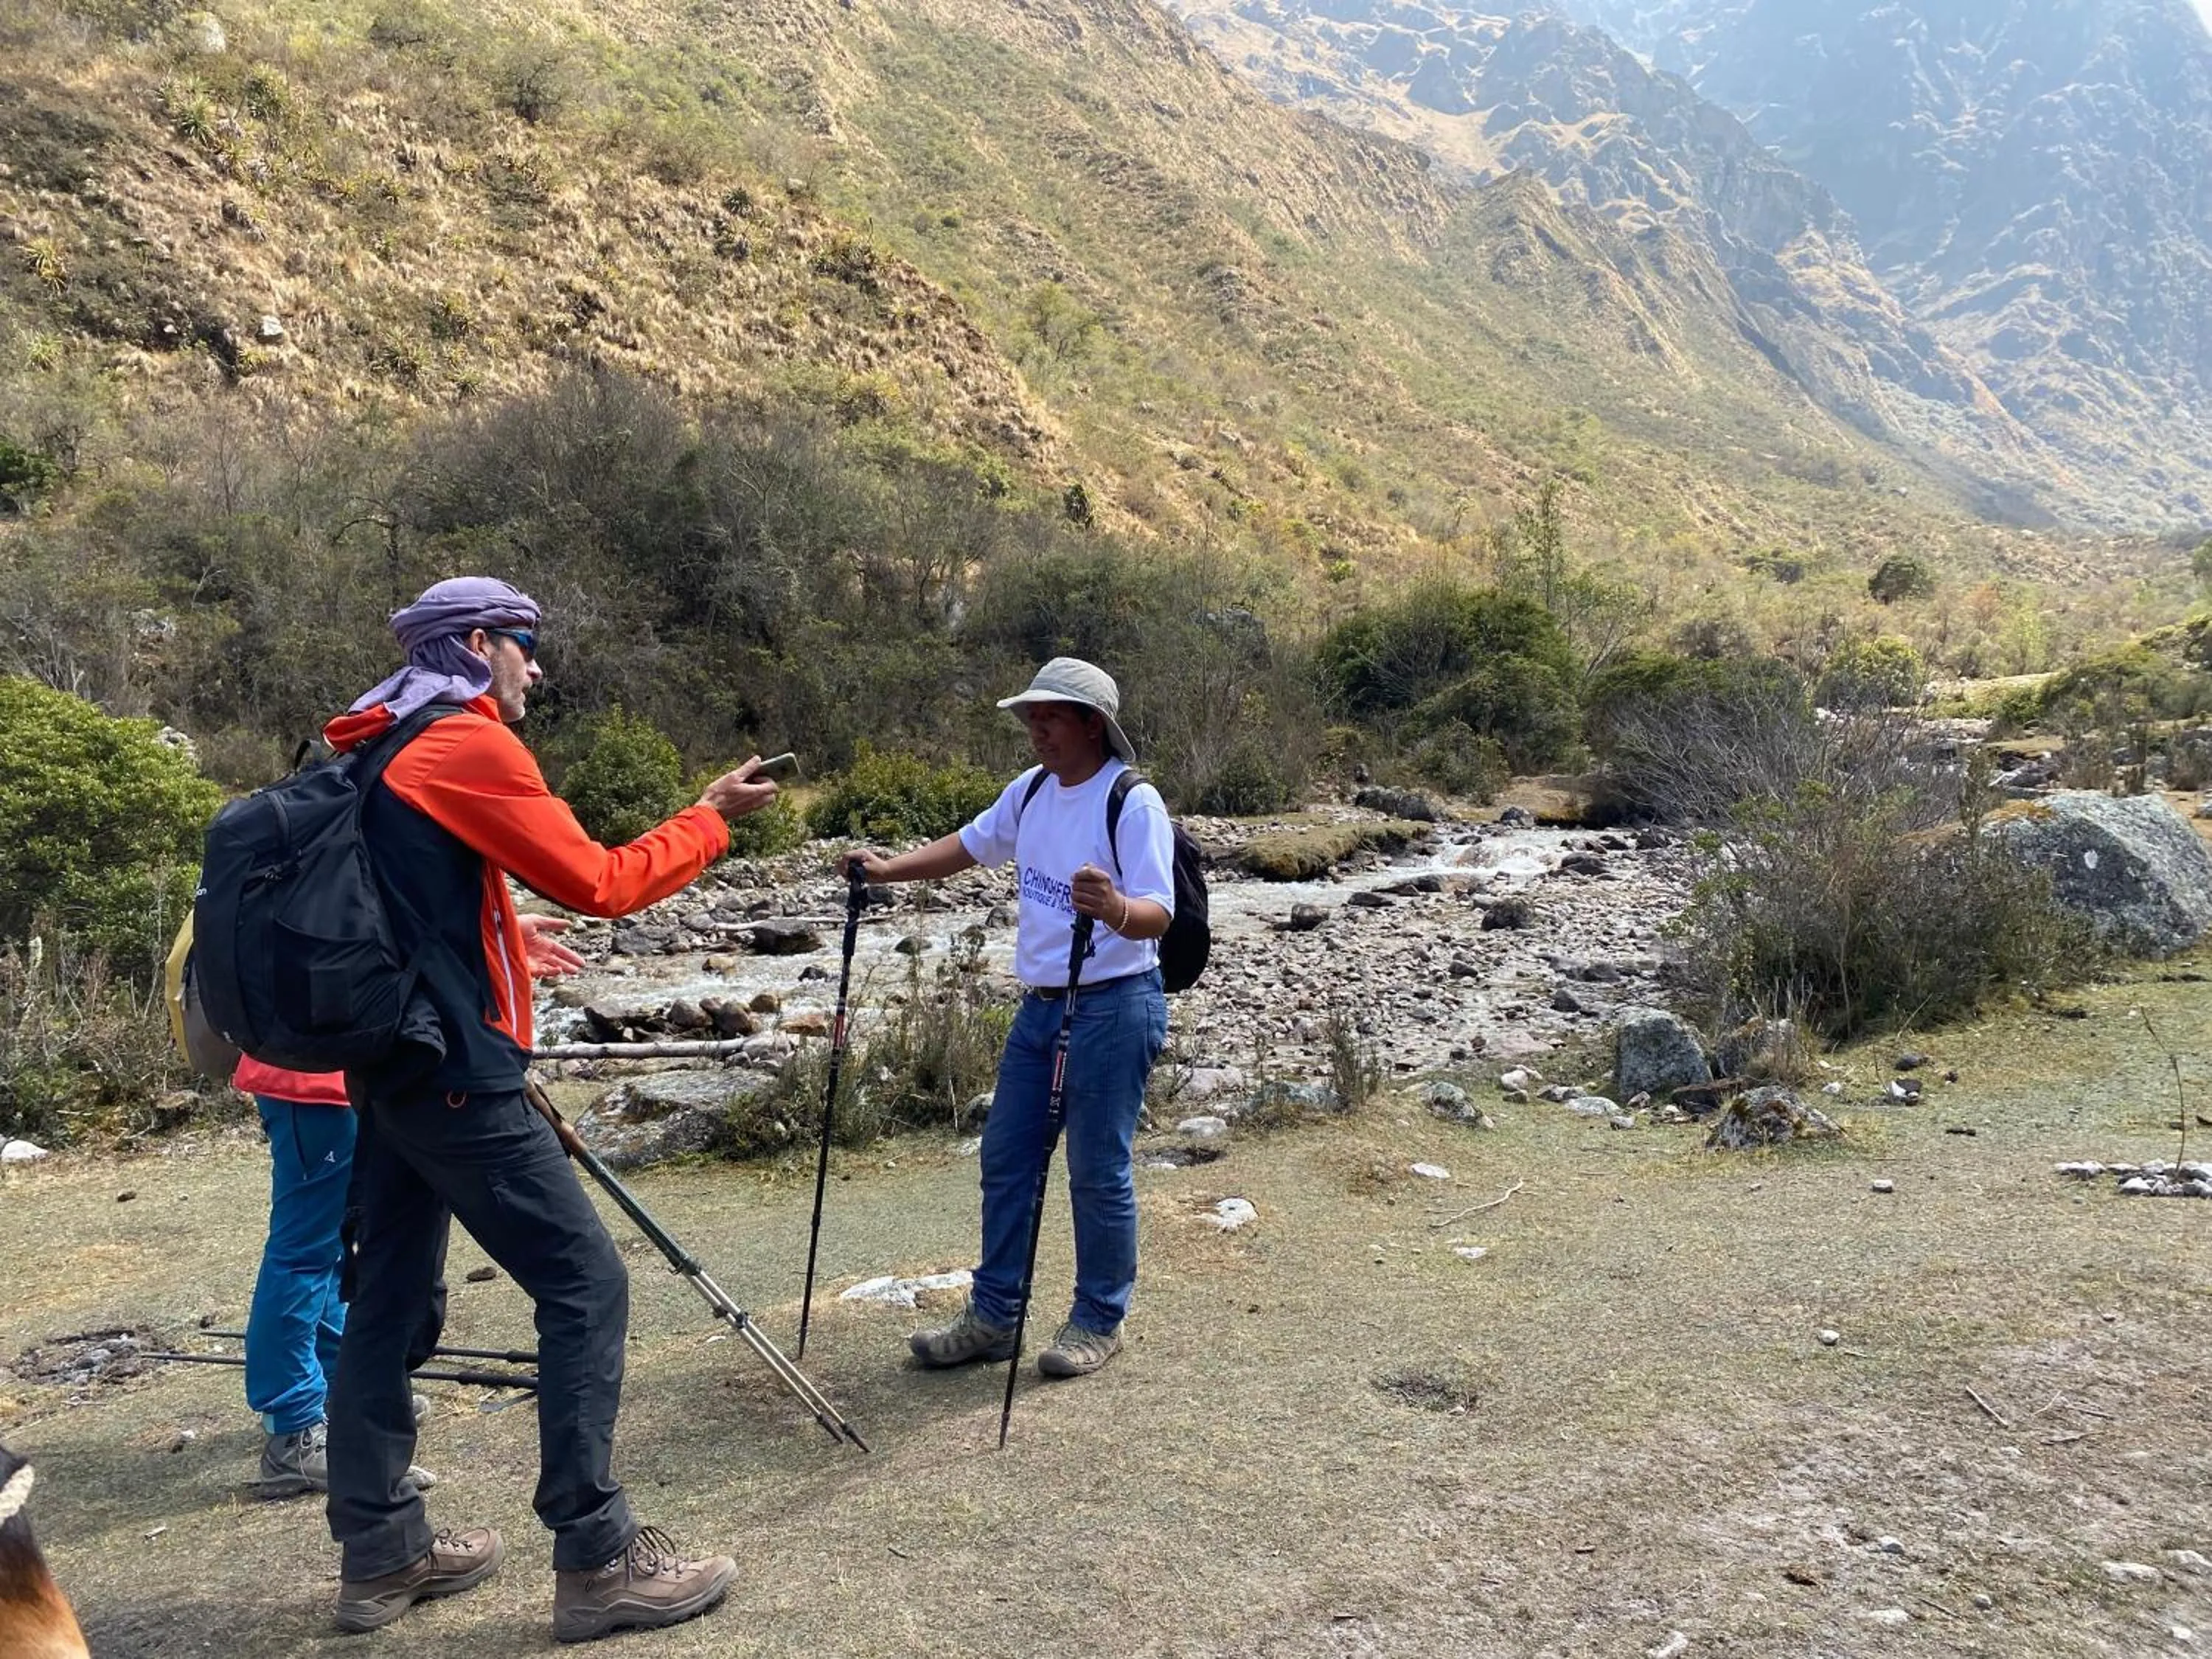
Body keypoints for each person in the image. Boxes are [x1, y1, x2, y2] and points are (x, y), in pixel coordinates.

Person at [320, 577, 778, 1644]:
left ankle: (379, 1554)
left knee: (384, 1301)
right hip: (455, 1073)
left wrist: (500, 947)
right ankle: (599, 1556)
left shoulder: (377, 739)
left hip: (389, 1067)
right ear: (480, 644)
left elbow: (409, 904)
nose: (539, 666)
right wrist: (708, 821)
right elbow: (603, 882)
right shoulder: (467, 743)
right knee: (585, 1282)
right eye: (526, 646)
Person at [854, 657, 1174, 1382]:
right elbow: (969, 847)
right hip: (1042, 1007)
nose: (1036, 731)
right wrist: (886, 870)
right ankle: (995, 1317)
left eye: (1050, 717)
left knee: (1097, 1171)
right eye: (1031, 717)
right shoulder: (1029, 792)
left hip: (1116, 1006)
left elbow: (1159, 912)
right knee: (1007, 1159)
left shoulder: (1131, 801)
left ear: (1093, 725)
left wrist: (1116, 909)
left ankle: (1098, 1319)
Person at [236, 912, 585, 1500]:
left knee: (332, 1246)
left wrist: (490, 941)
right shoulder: (328, 834)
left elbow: (394, 934)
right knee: (304, 1250)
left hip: (344, 1065)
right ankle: (293, 1429)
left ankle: (333, 1393)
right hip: (315, 1073)